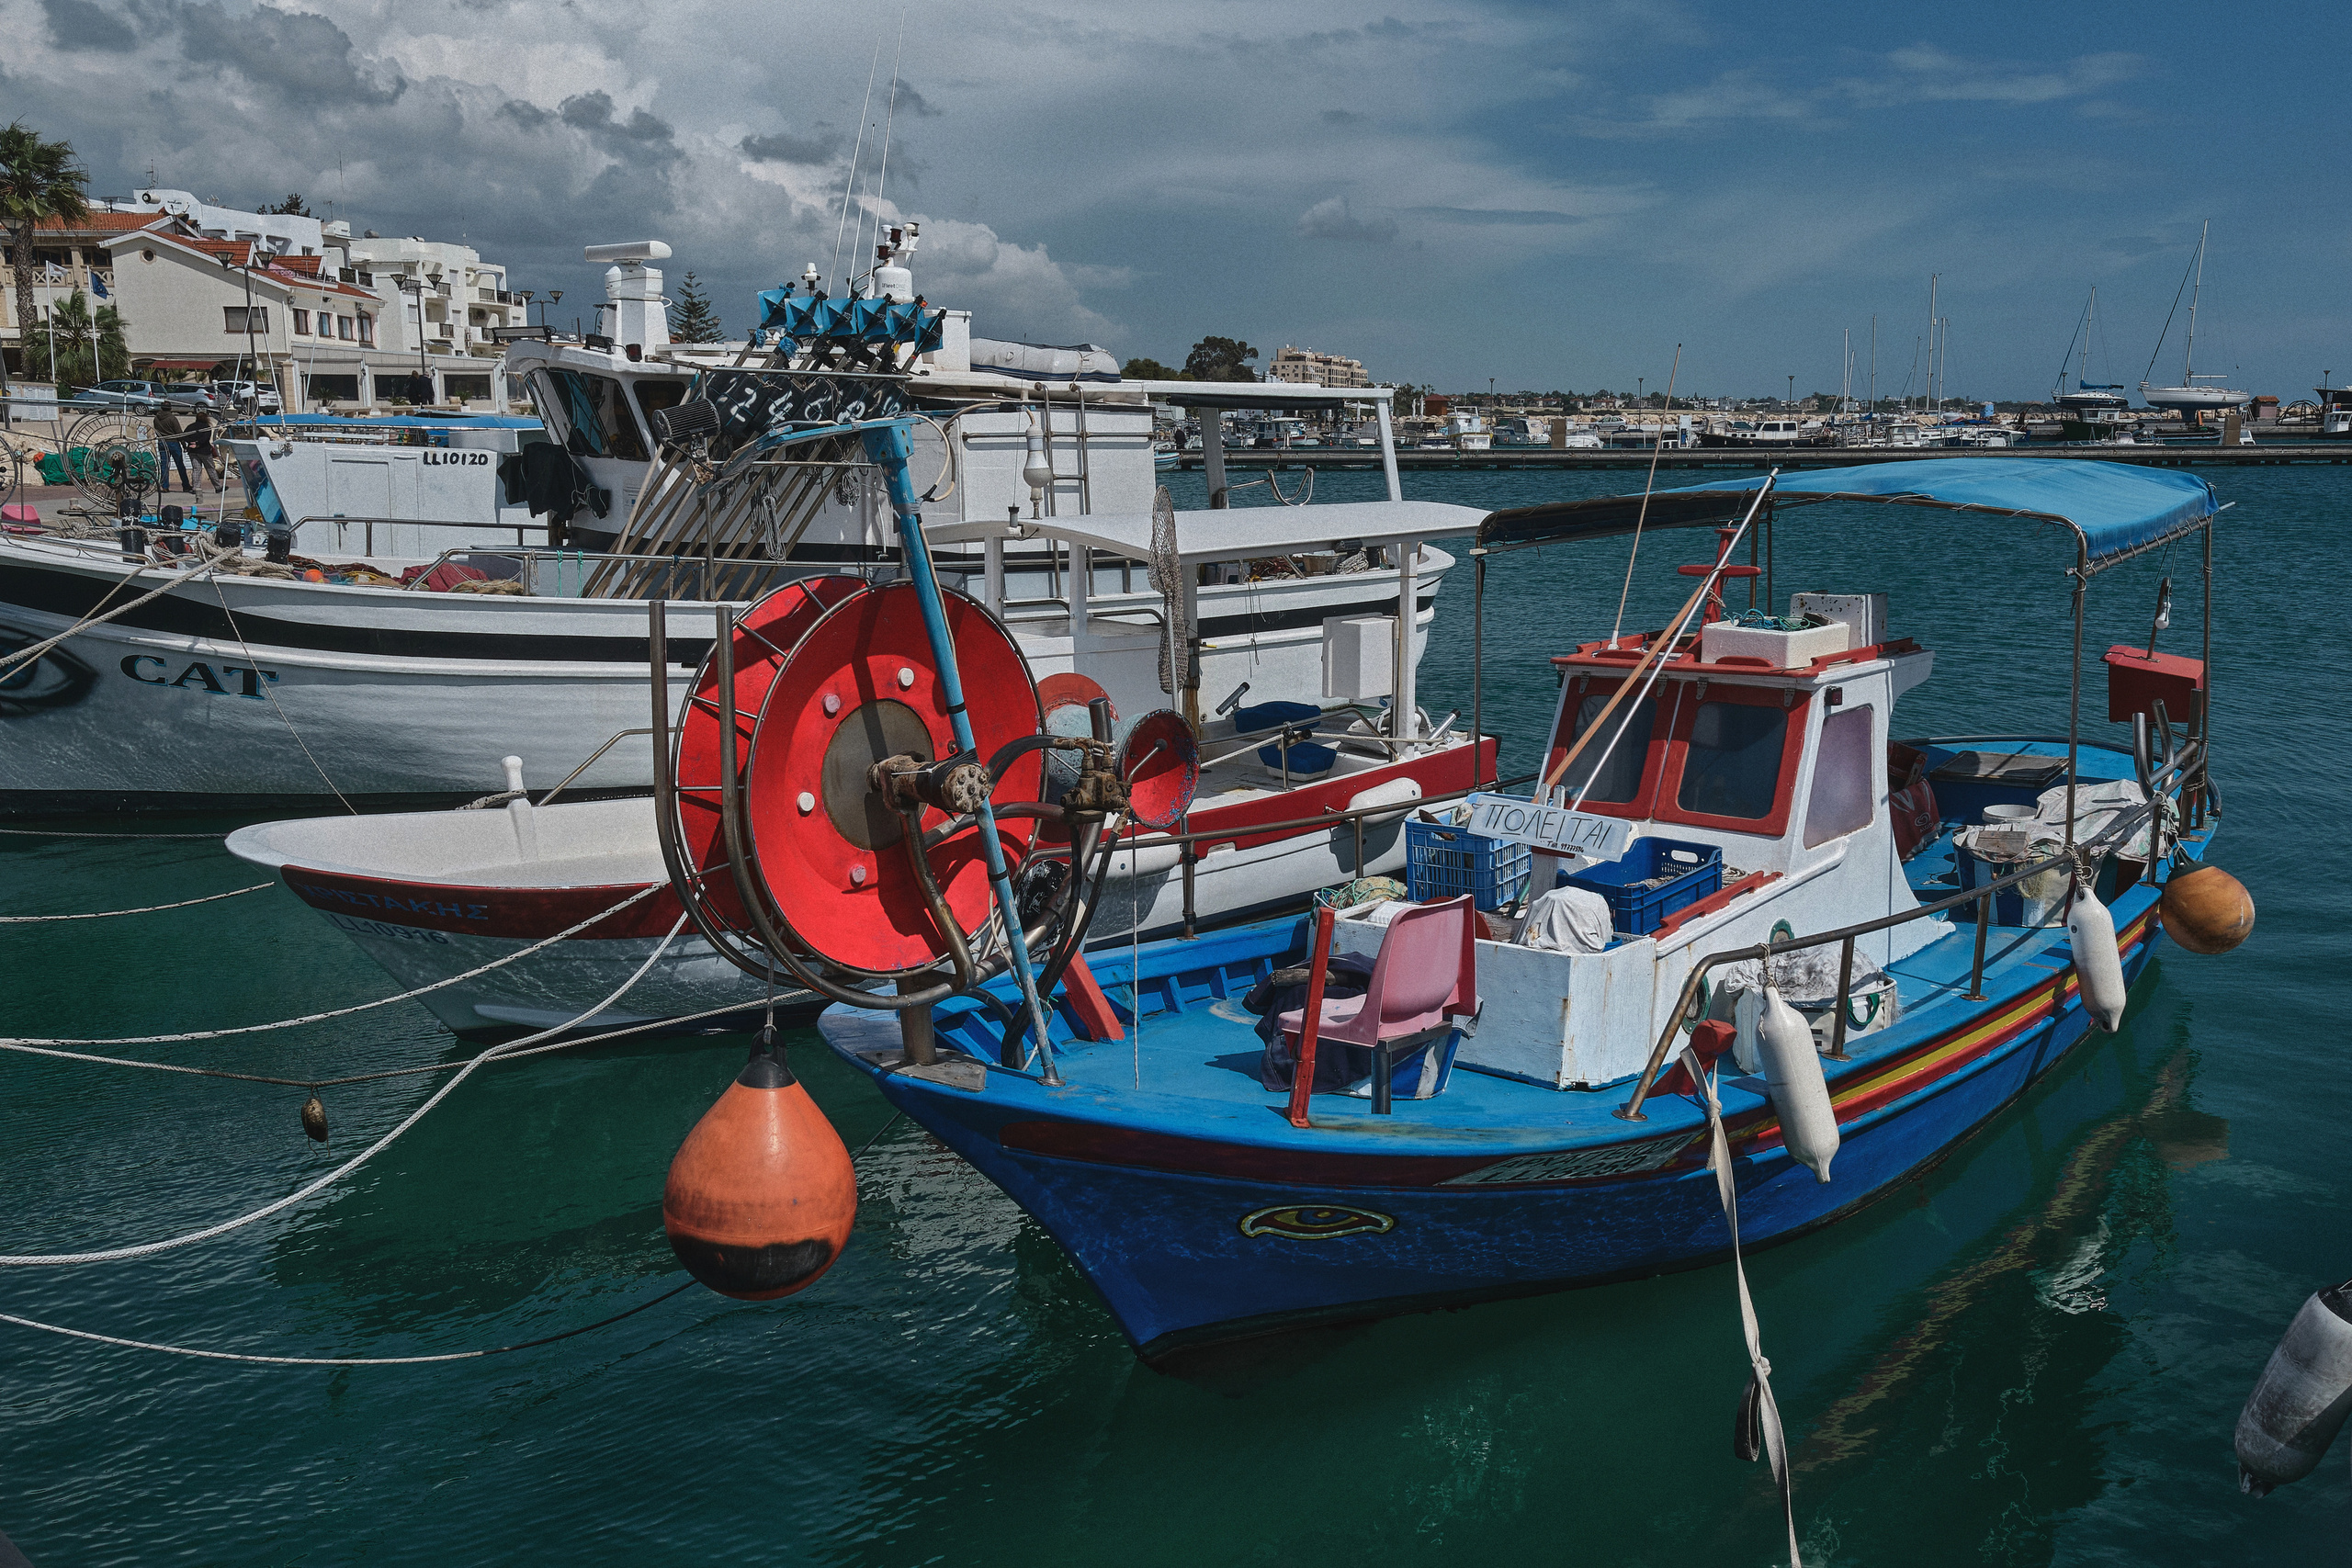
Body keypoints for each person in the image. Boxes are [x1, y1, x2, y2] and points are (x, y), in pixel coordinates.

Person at [152, 404, 194, 492]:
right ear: (170, 409)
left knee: (164, 465)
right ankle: (186, 485)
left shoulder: (156, 418)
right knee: (180, 465)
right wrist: (183, 444)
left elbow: (156, 430)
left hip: (162, 442)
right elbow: (178, 432)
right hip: (173, 442)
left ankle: (165, 486)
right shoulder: (172, 418)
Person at [186, 410, 224, 493]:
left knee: (196, 469)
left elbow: (184, 436)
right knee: (210, 469)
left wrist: (191, 442)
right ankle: (218, 487)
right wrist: (198, 443)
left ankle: (195, 488)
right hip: (204, 451)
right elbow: (205, 439)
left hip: (193, 451)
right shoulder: (206, 427)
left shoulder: (190, 427)